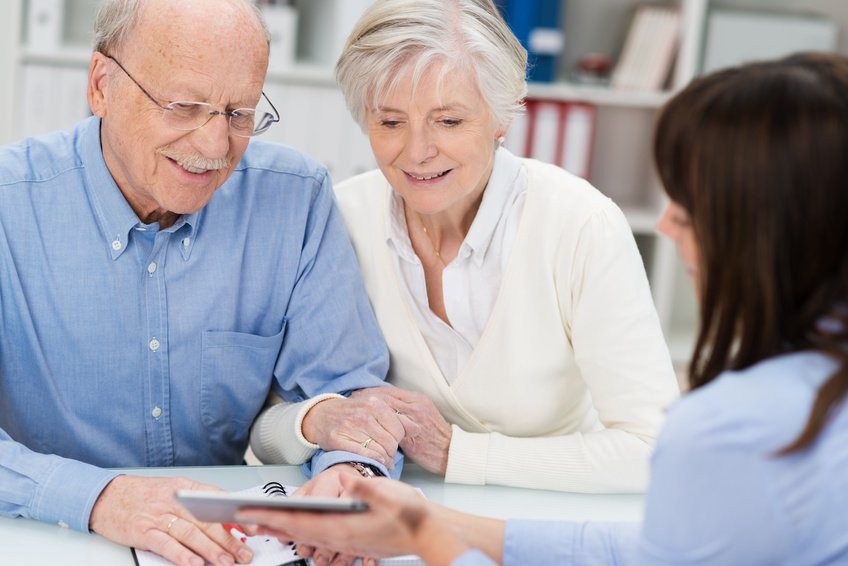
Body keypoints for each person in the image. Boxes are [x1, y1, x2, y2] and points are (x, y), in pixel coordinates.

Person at [238, 51, 848, 564]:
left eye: (689, 202)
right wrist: (427, 526)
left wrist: (456, 469)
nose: (665, 222)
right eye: (389, 120)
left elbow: (653, 520)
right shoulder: (340, 215)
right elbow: (642, 552)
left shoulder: (735, 429)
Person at [0, 1, 406, 564]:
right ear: (101, 86)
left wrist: (350, 472)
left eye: (239, 114)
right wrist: (100, 498)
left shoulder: (294, 199)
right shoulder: (8, 205)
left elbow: (345, 389)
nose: (215, 148)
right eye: (183, 107)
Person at [250, 0, 679, 494]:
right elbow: (265, 431)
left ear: (501, 118)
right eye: (390, 123)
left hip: (543, 516)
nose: (416, 151)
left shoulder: (580, 224)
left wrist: (459, 453)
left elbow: (656, 449)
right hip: (391, 517)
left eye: (448, 121)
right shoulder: (339, 219)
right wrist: (319, 420)